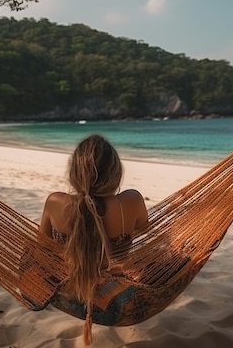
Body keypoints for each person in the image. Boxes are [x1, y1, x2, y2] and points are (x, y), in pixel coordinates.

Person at [39, 134, 148, 328]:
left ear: (74, 173)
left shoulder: (55, 202)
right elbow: (144, 228)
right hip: (118, 302)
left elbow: (41, 248)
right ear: (115, 173)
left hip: (69, 294)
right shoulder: (131, 200)